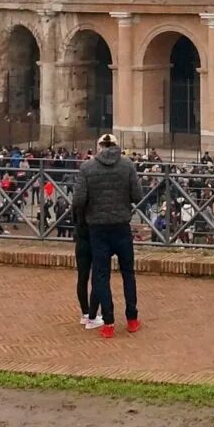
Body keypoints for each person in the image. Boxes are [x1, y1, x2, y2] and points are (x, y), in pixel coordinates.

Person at [73, 132, 143, 337]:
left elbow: (78, 200)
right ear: (115, 146)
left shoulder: (87, 168)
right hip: (121, 225)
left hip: (97, 228)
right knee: (128, 273)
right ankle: (131, 318)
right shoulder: (127, 165)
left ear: (99, 147)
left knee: (101, 275)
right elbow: (137, 195)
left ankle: (109, 323)